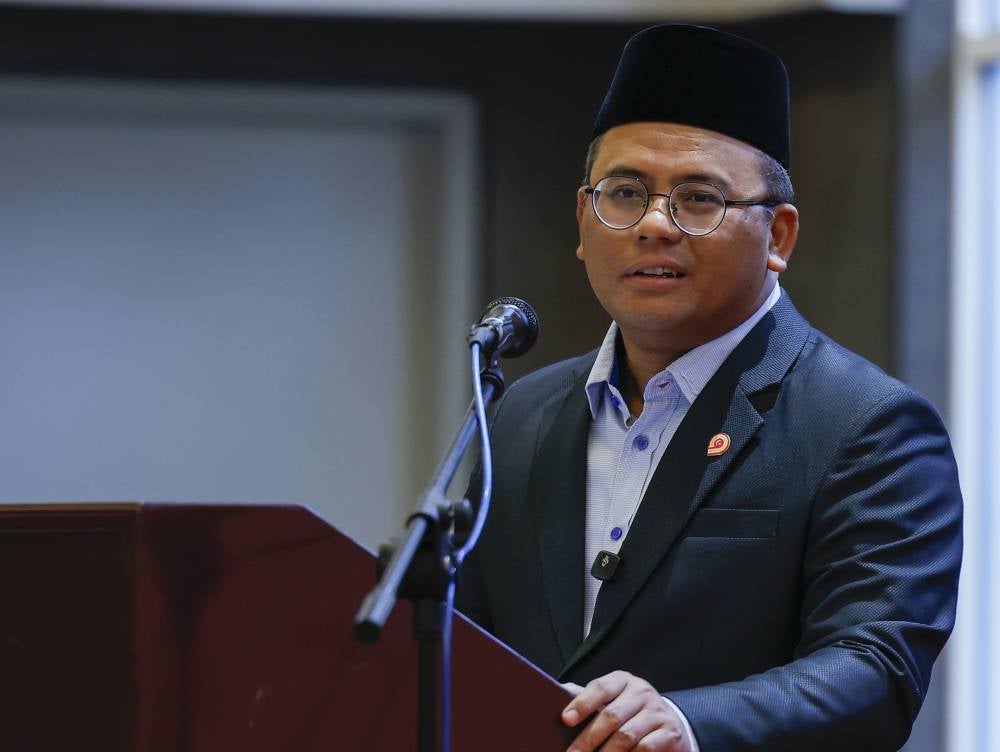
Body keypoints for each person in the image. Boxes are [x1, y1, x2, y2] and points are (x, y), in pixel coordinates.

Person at [455, 24, 962, 752]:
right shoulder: (523, 412)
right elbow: (468, 640)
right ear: (582, 219)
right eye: (624, 193)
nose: (654, 225)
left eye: (699, 200)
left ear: (778, 236)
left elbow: (877, 670)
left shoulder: (867, 424)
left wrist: (688, 722)